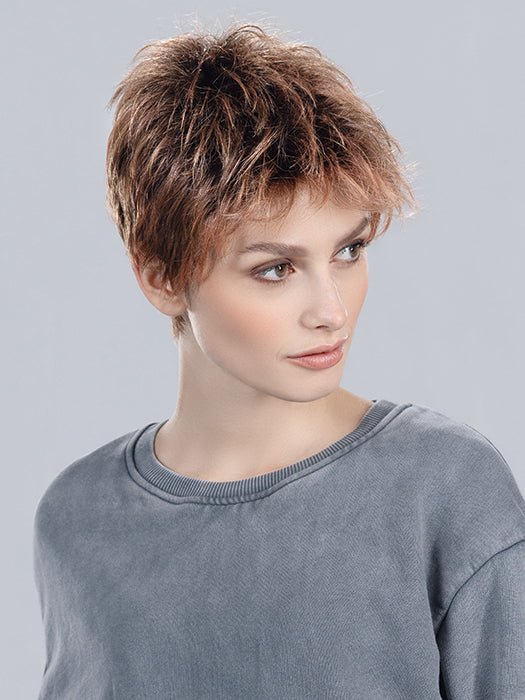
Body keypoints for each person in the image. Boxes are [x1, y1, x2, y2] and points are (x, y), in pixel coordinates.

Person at [33, 21, 525, 699]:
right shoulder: (79, 519)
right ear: (160, 276)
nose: (331, 310)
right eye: (275, 269)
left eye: (349, 251)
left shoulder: (443, 489)